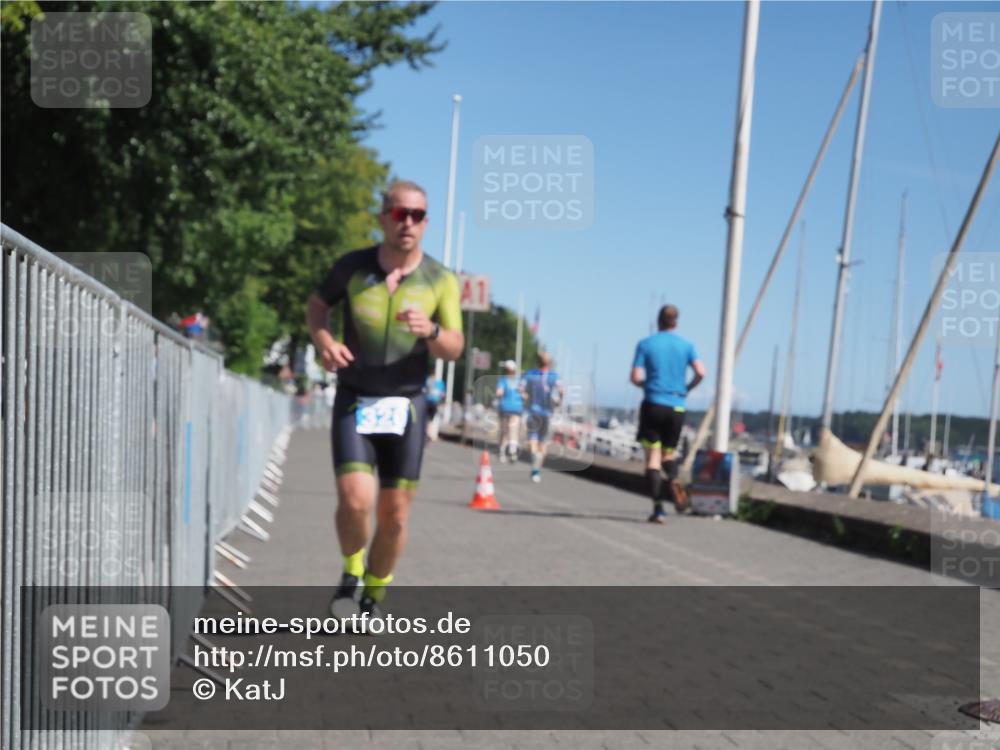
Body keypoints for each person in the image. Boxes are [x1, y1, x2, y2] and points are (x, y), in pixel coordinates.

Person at [306, 180, 463, 622]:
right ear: (383, 218)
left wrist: (431, 331)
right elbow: (318, 305)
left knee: (393, 517)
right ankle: (351, 573)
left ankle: (374, 597)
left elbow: (454, 346)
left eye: (417, 215)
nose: (407, 223)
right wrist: (324, 341)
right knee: (355, 501)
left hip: (408, 405)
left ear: (426, 222)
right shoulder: (353, 267)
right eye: (399, 214)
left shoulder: (441, 278)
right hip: (356, 398)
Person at [630, 304, 706, 523]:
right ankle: (673, 477)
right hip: (677, 406)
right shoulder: (687, 345)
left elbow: (635, 377)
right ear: (676, 322)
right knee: (668, 454)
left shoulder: (646, 344)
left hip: (653, 403)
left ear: (658, 321)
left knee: (652, 459)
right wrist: (687, 388)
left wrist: (647, 384)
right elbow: (701, 372)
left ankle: (658, 509)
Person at [521, 352, 564, 482]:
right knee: (543, 442)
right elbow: (562, 390)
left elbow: (521, 388)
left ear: (537, 362)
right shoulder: (554, 376)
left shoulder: (530, 374)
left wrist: (525, 397)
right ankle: (537, 469)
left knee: (532, 440)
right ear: (549, 363)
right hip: (546, 413)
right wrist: (559, 401)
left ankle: (535, 463)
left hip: (533, 411)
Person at [495, 360, 524, 463]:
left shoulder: (502, 380)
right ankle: (512, 451)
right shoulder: (519, 381)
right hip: (516, 408)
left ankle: (502, 452)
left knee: (504, 431)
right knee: (513, 430)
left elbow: (499, 392)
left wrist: (498, 394)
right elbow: (524, 394)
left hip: (505, 408)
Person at [424, 374, 446, 441]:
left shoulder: (427, 381)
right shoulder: (440, 383)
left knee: (427, 418)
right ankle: (430, 434)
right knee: (431, 419)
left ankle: (427, 433)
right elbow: (442, 394)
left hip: (427, 402)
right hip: (434, 403)